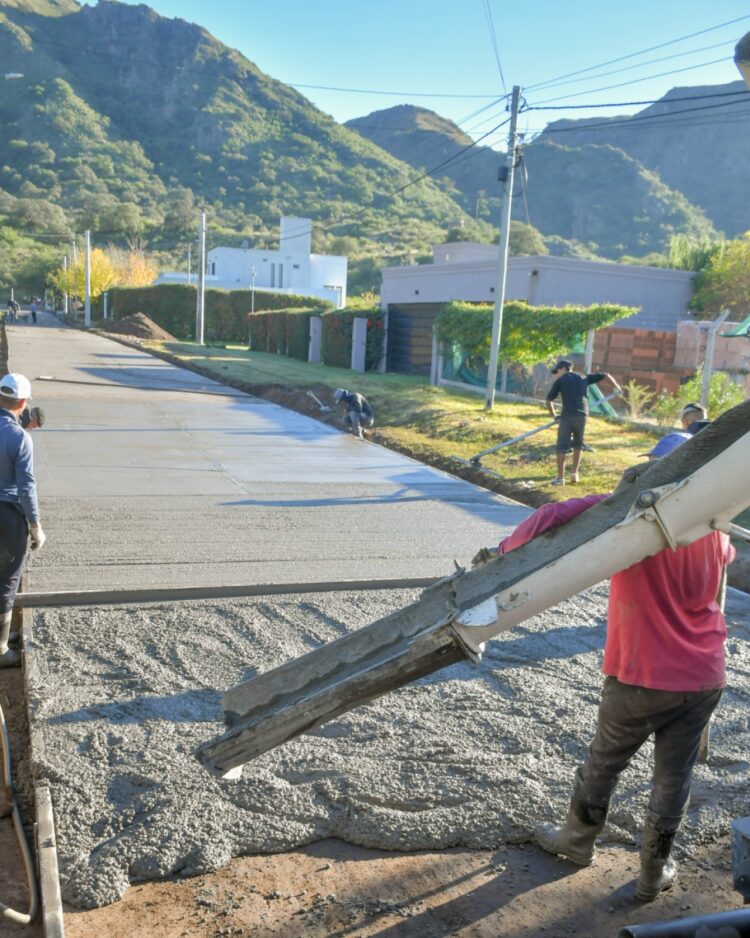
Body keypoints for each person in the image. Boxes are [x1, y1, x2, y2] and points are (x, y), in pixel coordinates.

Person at [493, 431, 734, 901]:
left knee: (604, 762)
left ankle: (577, 841)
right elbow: (723, 564)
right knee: (674, 778)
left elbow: (552, 516)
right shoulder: (716, 526)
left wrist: (503, 556)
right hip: (705, 675)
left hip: (642, 675)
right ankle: (652, 873)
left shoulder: (634, 517)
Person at [0, 373, 46, 669]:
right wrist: (35, 525)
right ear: (22, 402)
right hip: (8, 516)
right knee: (6, 579)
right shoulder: (19, 437)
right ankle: (1, 649)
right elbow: (27, 487)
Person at [545, 359, 621, 486]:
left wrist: (554, 416)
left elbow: (548, 401)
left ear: (563, 368)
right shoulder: (583, 377)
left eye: (557, 371)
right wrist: (616, 386)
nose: (557, 374)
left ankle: (560, 478)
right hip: (582, 416)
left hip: (567, 416)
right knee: (578, 444)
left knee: (562, 446)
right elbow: (606, 375)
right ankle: (574, 474)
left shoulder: (560, 381)